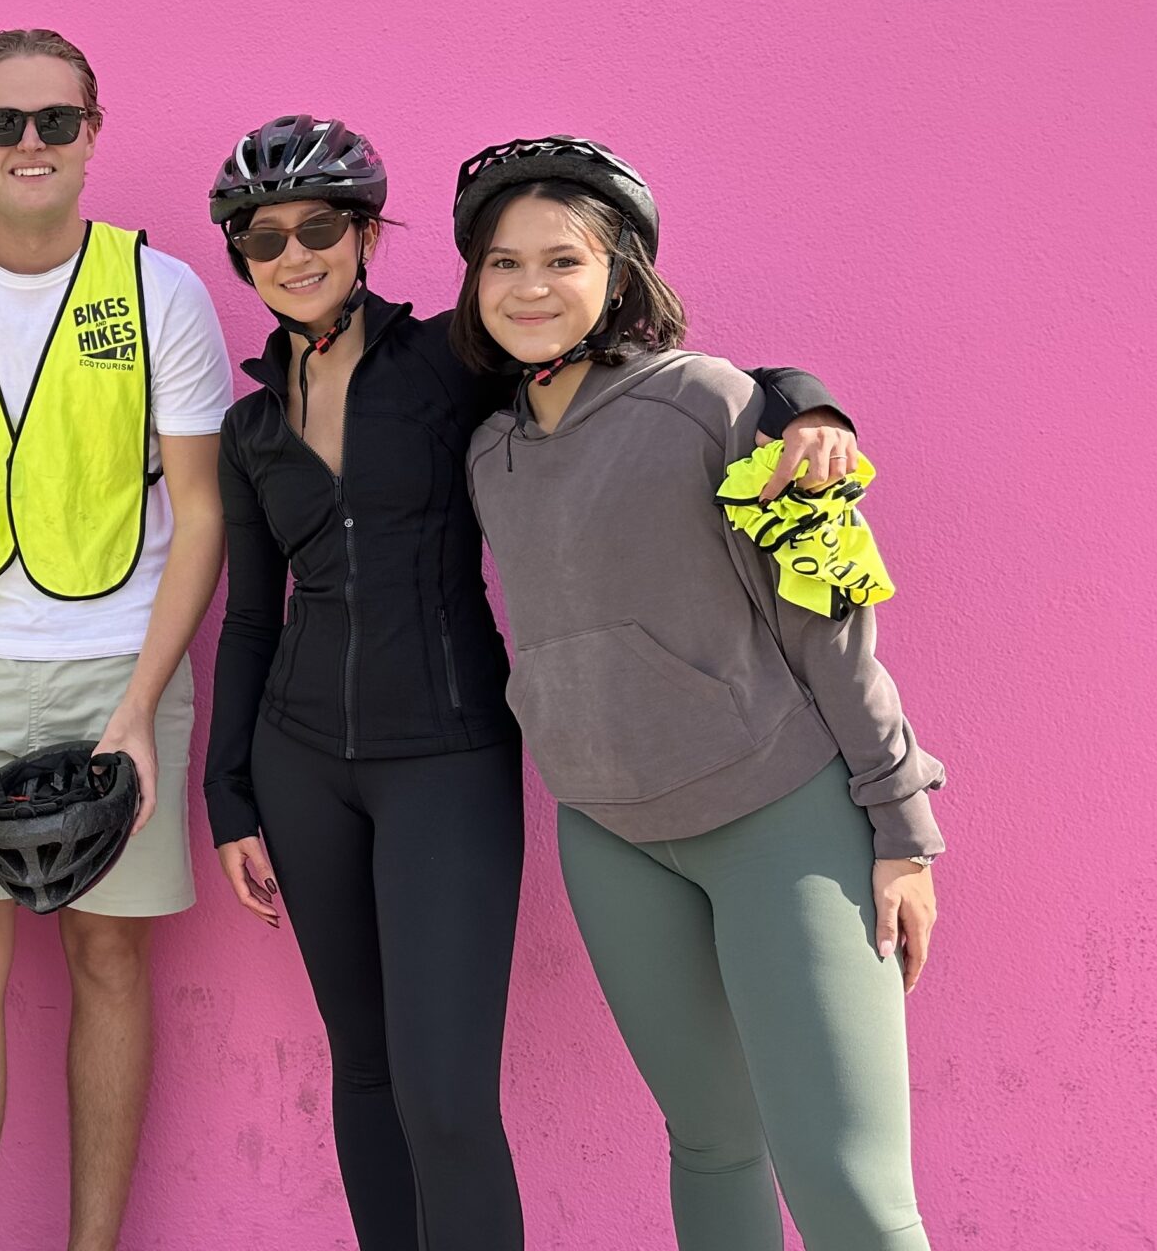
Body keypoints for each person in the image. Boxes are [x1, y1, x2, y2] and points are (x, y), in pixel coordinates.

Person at [200, 116, 861, 1250]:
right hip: (297, 762)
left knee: (445, 1096)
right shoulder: (249, 426)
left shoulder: (449, 363)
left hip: (447, 758)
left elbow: (655, 367)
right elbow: (253, 617)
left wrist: (806, 403)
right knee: (361, 1074)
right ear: (243, 258)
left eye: (319, 227)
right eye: (264, 239)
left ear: (364, 238)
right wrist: (229, 800)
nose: (293, 254)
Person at [454, 136, 942, 1249]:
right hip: (610, 836)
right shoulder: (486, 450)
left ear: (617, 272)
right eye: (500, 263)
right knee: (711, 1146)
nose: (529, 288)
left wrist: (901, 832)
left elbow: (833, 627)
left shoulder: (711, 401)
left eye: (561, 261)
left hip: (782, 820)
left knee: (848, 1193)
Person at [0, 29, 231, 1251]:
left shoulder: (161, 291)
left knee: (109, 968)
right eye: (4, 124)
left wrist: (138, 706)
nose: (32, 144)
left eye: (56, 122)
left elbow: (201, 513)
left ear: (92, 133)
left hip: (121, 664)